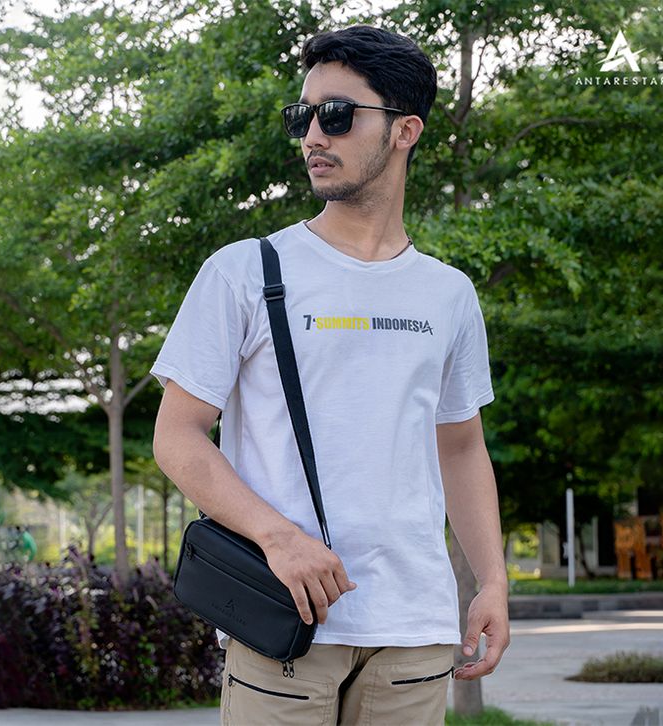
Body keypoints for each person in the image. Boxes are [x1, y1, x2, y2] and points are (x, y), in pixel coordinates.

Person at [151, 24, 509, 726]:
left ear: (405, 130)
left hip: (414, 626)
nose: (313, 135)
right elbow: (178, 436)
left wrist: (493, 581)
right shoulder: (245, 271)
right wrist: (278, 538)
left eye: (337, 115)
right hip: (283, 614)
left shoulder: (448, 294)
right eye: (303, 116)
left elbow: (463, 447)